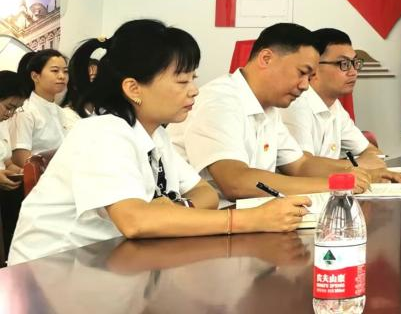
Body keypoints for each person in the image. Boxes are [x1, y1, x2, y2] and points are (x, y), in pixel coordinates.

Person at [7, 20, 310, 265]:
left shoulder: (154, 134)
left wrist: (173, 208)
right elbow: (135, 220)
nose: (194, 90)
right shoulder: (104, 132)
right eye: (182, 81)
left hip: (111, 266)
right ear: (133, 88)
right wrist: (250, 219)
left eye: (193, 79)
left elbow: (205, 193)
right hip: (51, 280)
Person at [168, 23, 401, 207]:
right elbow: (236, 182)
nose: (305, 85)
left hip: (250, 220)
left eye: (309, 77)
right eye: (302, 73)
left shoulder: (269, 107)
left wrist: (363, 175)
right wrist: (334, 183)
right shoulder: (220, 100)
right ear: (266, 58)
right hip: (210, 225)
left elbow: (300, 164)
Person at [280, 28, 386, 169]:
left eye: (355, 63)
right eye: (344, 64)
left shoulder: (334, 106)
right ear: (314, 67)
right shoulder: (296, 104)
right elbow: (302, 166)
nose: (353, 72)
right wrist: (357, 165)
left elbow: (371, 151)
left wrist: (368, 162)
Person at [8, 49, 80, 167]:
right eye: (55, 71)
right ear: (35, 76)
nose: (62, 76)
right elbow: (21, 159)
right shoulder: (25, 111)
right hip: (42, 176)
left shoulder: (62, 112)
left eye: (65, 71)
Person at [1, 70, 28, 263]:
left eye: (15, 110)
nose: (9, 114)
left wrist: (20, 172)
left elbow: (7, 161)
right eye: (8, 107)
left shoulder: (2, 124)